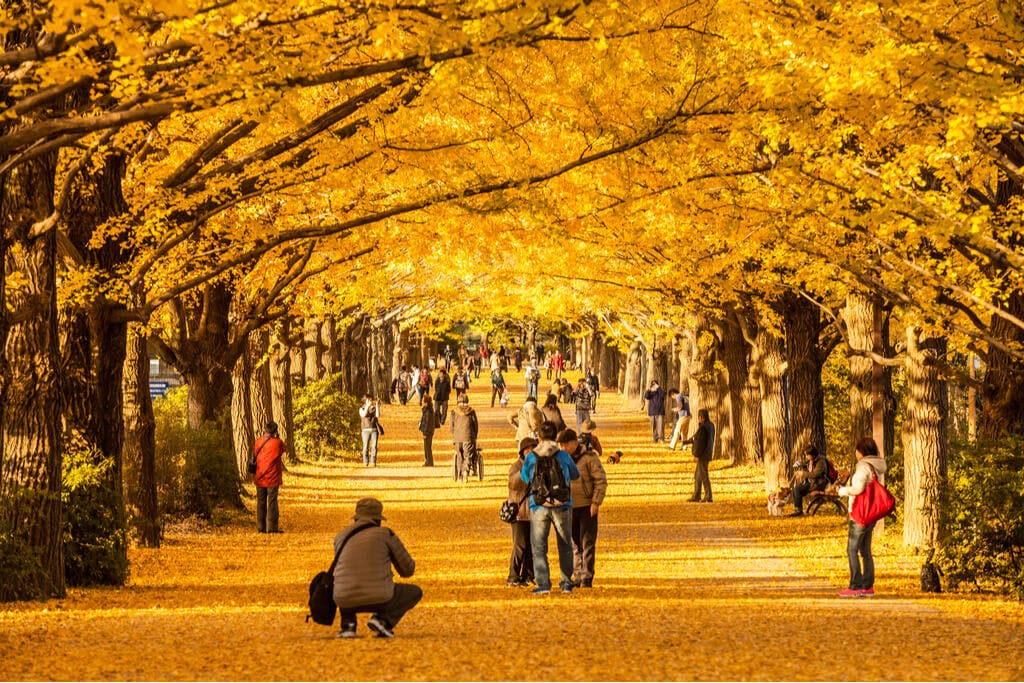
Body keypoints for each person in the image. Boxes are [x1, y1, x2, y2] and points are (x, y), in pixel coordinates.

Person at [333, 498, 421, 638]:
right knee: (414, 592)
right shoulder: (386, 534)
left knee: (345, 582)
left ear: (356, 518)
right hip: (381, 598)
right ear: (379, 519)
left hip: (344, 598)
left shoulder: (340, 536)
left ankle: (348, 625)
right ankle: (383, 620)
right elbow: (407, 571)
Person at [520, 421, 580, 594]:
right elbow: (575, 474)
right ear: (556, 437)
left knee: (539, 546)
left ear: (539, 437)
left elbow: (525, 478)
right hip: (563, 504)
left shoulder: (532, 457)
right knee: (565, 545)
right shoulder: (563, 455)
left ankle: (544, 584)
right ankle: (566, 582)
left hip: (538, 505)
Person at [837, 436, 888, 597]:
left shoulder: (863, 467)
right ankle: (868, 586)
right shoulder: (876, 467)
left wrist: (842, 491)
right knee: (865, 550)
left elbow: (858, 488)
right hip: (871, 513)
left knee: (852, 549)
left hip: (860, 513)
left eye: (857, 450)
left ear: (862, 451)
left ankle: (855, 585)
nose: (855, 453)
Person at [557, 429, 607, 588]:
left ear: (574, 442)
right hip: (569, 506)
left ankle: (587, 576)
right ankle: (577, 574)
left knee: (587, 542)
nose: (564, 448)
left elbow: (600, 480)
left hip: (587, 506)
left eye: (566, 445)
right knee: (574, 543)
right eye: (561, 446)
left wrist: (596, 502)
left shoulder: (589, 458)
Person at [507, 437, 538, 587]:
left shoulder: (540, 466)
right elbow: (513, 484)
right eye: (528, 450)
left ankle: (528, 575)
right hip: (519, 513)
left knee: (533, 545)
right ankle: (513, 576)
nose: (530, 452)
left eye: (533, 449)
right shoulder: (516, 467)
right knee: (520, 545)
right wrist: (525, 469)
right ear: (522, 452)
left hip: (534, 512)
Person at [253, 421, 287, 533]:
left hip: (260, 476)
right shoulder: (277, 443)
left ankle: (260, 526)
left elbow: (255, 453)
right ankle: (272, 527)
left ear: (265, 430)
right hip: (272, 477)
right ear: (275, 431)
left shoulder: (258, 441)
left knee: (261, 502)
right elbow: (284, 449)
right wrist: (277, 437)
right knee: (272, 502)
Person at [682, 408, 715, 502]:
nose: (698, 419)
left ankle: (708, 496)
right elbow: (696, 438)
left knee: (704, 475)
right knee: (698, 475)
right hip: (707, 453)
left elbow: (700, 442)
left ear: (702, 418)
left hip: (703, 455)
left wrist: (696, 455)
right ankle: (697, 495)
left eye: (699, 417)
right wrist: (686, 442)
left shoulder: (703, 428)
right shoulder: (710, 425)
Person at [789, 445, 828, 517]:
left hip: (819, 484)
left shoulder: (821, 462)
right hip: (812, 482)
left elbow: (815, 474)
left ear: (813, 455)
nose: (806, 457)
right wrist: (800, 465)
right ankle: (797, 509)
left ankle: (798, 511)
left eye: (807, 455)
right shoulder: (812, 460)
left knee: (797, 489)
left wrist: (803, 474)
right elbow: (808, 469)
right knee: (796, 489)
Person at [450, 394, 480, 482]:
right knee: (468, 456)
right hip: (468, 436)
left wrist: (454, 434)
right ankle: (465, 471)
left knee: (460, 456)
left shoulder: (454, 412)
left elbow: (451, 426)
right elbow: (475, 425)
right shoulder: (471, 412)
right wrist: (474, 435)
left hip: (457, 437)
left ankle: (460, 476)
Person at [358, 394, 381, 467]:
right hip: (365, 430)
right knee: (365, 446)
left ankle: (373, 461)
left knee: (374, 446)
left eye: (371, 400)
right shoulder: (361, 408)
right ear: (365, 401)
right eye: (369, 400)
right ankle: (365, 461)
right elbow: (364, 415)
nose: (371, 401)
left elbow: (377, 415)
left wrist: (377, 405)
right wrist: (367, 406)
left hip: (374, 430)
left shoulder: (374, 408)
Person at [418, 394, 436, 467]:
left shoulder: (428, 412)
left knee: (427, 447)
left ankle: (429, 461)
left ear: (426, 403)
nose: (421, 402)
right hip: (429, 431)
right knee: (427, 446)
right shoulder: (427, 410)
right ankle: (428, 460)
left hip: (428, 432)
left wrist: (425, 433)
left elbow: (427, 423)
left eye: (423, 401)